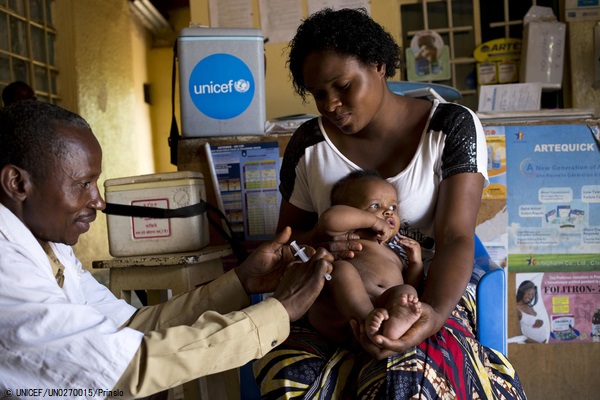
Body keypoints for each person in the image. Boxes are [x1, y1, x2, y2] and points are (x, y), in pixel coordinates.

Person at [254, 7, 526, 399]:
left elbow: (454, 237)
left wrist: (432, 315)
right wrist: (323, 241)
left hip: (426, 292)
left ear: (379, 65)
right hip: (332, 294)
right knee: (292, 377)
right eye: (319, 94)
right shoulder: (308, 146)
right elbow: (290, 239)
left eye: (343, 85)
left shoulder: (450, 128)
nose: (331, 104)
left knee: (410, 374)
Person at [0, 100, 334, 397]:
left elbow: (130, 327)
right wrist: (280, 309)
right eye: (83, 183)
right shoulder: (6, 268)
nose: (98, 201)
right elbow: (126, 367)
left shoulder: (47, 247)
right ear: (17, 183)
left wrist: (242, 281)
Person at [308, 170, 423, 351]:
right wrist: (373, 222)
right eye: (375, 206)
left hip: (382, 311)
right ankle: (366, 320)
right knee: (340, 269)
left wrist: (416, 264)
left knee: (406, 292)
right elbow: (330, 219)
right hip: (341, 312)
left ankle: (391, 328)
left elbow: (412, 284)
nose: (387, 212)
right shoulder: (348, 237)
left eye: (393, 208)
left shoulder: (395, 251)